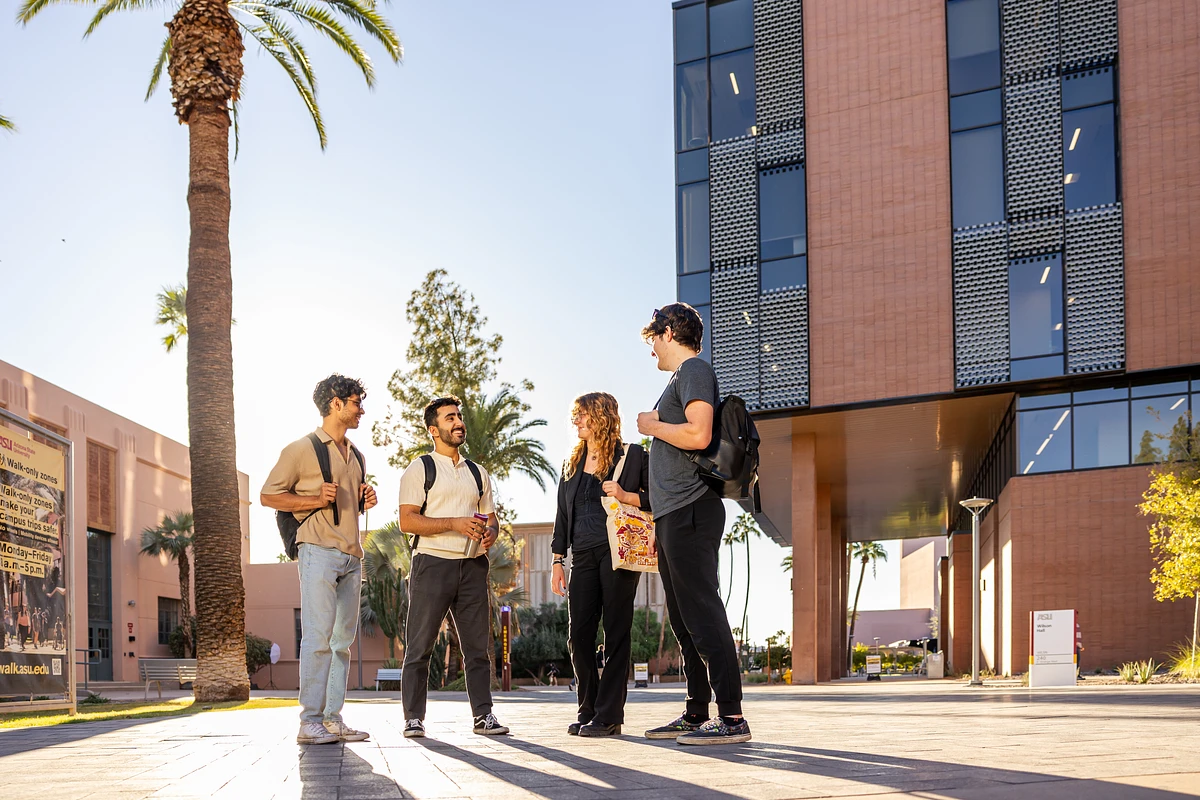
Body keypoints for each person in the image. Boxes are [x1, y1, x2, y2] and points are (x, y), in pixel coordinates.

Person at [636, 304, 751, 745]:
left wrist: (653, 424)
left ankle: (733, 717)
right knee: (685, 619)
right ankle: (697, 711)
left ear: (667, 332)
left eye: (653, 341)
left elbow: (700, 435)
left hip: (692, 510)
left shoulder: (694, 370)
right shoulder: (680, 378)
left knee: (702, 610)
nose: (652, 352)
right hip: (672, 514)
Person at [261, 374, 378, 745]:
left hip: (351, 555)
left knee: (342, 643)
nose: (362, 409)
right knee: (317, 638)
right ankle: (308, 721)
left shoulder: (356, 454)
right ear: (335, 403)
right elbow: (268, 495)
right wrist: (314, 499)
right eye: (357, 402)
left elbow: (347, 502)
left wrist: (364, 498)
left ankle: (331, 719)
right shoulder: (301, 449)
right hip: (317, 552)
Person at [398, 396, 508, 739]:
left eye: (459, 416)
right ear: (434, 430)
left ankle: (484, 716)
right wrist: (454, 524)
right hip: (432, 565)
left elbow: (492, 519)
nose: (458, 422)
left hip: (473, 566)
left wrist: (490, 533)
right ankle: (413, 718)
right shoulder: (420, 469)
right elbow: (407, 521)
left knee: (478, 648)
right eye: (450, 418)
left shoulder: (478, 472)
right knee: (420, 647)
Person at [550, 392, 651, 738]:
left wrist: (623, 495)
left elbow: (656, 497)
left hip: (617, 553)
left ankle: (609, 716)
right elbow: (562, 515)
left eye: (582, 415)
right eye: (575, 416)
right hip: (582, 555)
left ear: (601, 416)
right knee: (578, 634)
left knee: (616, 633)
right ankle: (588, 708)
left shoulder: (633, 455)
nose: (576, 421)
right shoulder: (573, 462)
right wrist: (557, 559)